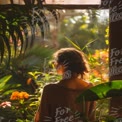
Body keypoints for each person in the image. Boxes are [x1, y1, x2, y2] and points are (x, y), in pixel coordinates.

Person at [34, 48, 95, 122]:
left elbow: (42, 118)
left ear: (62, 65)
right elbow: (92, 118)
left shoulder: (50, 90)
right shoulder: (89, 88)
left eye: (56, 63)